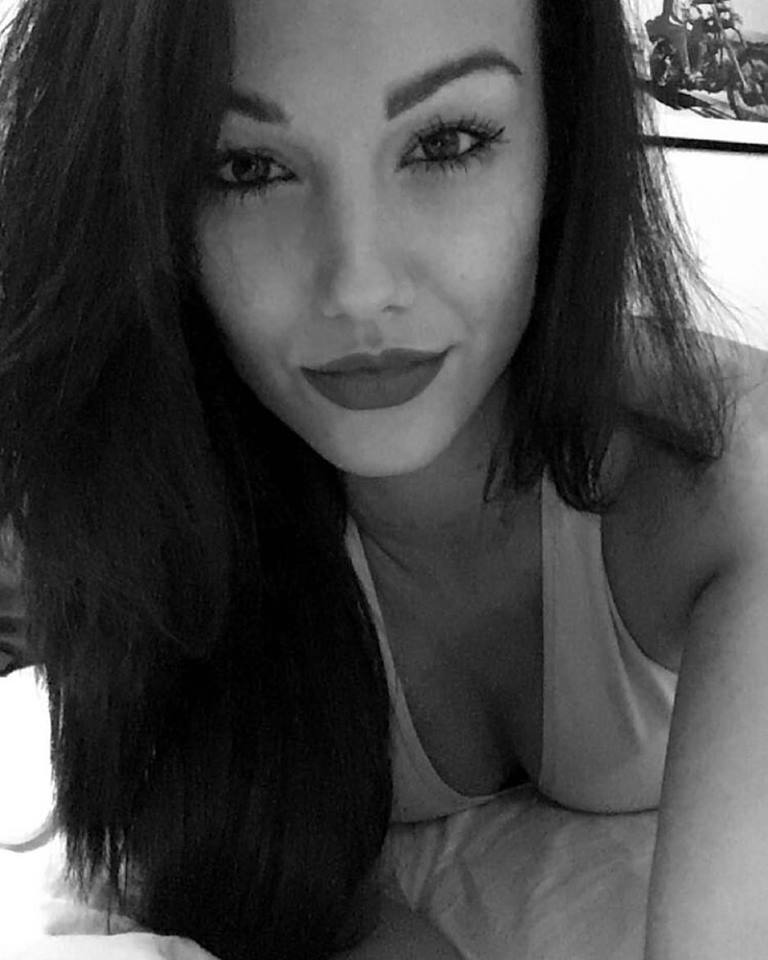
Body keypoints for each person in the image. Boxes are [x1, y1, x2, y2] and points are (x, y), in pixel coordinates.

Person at [1, 0, 767, 959]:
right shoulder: (152, 513)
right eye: (245, 168)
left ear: (563, 148)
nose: (358, 286)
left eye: (446, 142)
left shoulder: (725, 477)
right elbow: (287, 899)